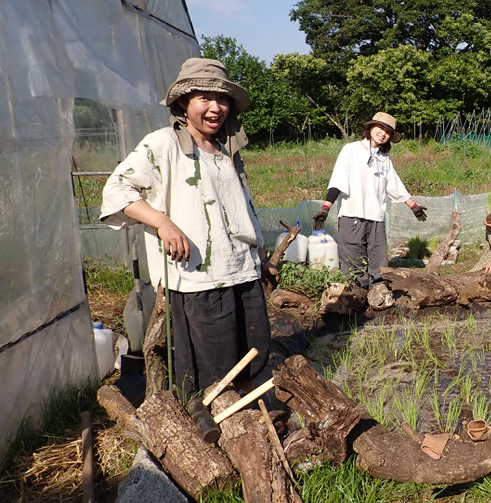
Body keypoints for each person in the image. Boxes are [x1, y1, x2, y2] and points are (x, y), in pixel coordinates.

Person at [100, 58, 273, 398]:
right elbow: (116, 192)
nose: (216, 108)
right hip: (199, 280)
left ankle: (253, 422)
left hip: (242, 271)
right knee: (214, 369)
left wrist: (260, 255)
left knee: (253, 355)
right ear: (183, 102)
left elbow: (240, 209)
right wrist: (163, 222)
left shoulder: (226, 149)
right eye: (204, 98)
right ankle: (217, 431)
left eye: (222, 99)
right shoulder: (164, 144)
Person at [313, 112, 427, 288]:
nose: (383, 133)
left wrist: (413, 206)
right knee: (352, 265)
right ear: (370, 128)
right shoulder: (351, 150)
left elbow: (394, 184)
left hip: (376, 219)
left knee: (380, 266)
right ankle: (355, 304)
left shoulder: (384, 158)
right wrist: (325, 208)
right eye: (380, 128)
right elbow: (338, 180)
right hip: (352, 217)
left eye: (388, 132)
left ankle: (379, 300)